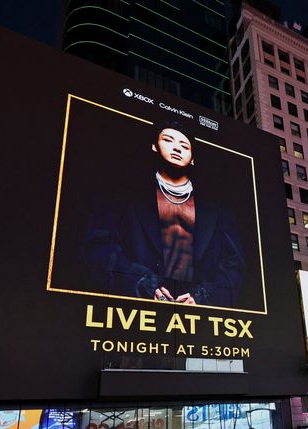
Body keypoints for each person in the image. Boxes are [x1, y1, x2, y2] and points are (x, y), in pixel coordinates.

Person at [83, 120, 245, 307]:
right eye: (168, 140)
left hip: (200, 317)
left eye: (184, 146)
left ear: (192, 158)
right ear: (154, 146)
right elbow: (99, 245)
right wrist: (141, 283)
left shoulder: (218, 209)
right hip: (136, 310)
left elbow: (234, 264)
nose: (177, 148)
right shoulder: (125, 194)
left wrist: (203, 295)